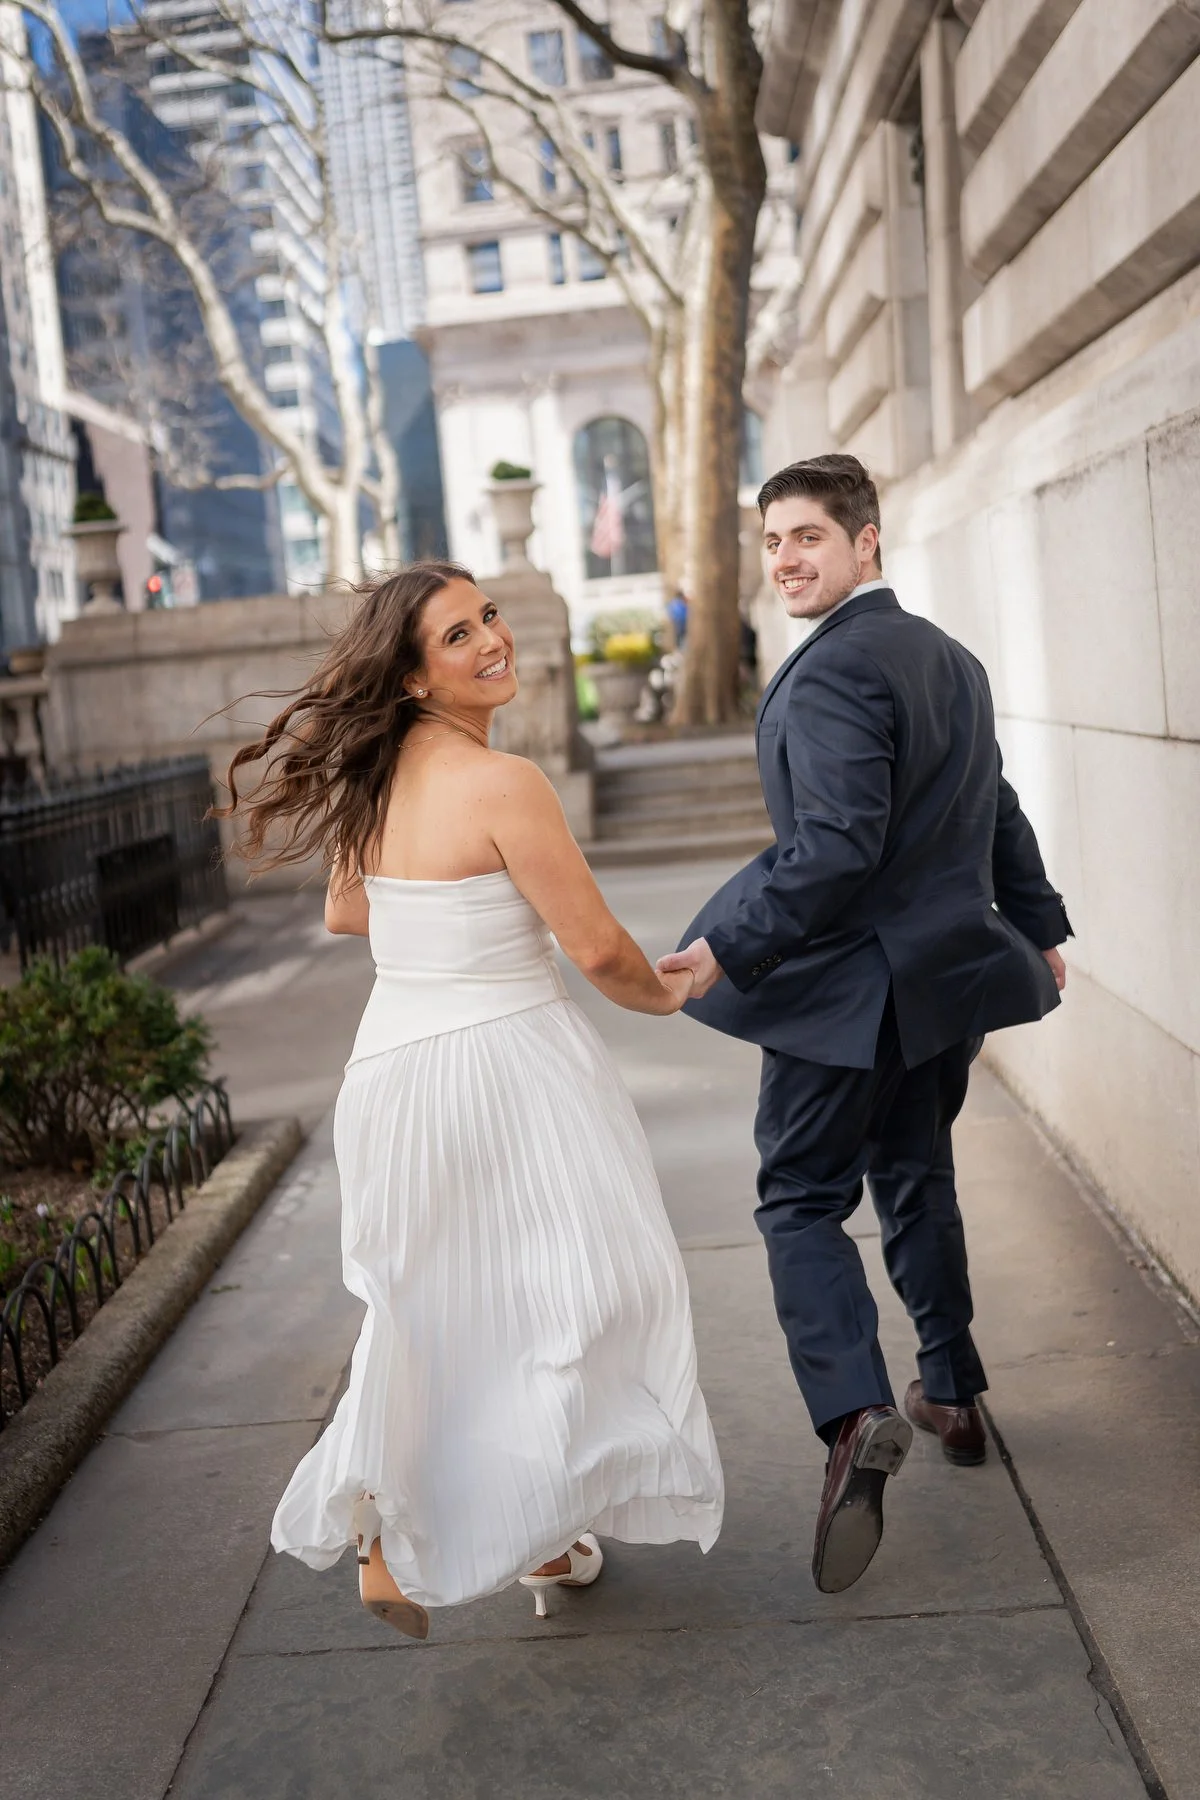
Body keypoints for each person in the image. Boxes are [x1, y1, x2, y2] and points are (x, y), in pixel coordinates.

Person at [220, 560, 724, 1640]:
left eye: (487, 615)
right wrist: (670, 993)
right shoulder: (507, 786)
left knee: (435, 1308)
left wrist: (454, 928)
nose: (491, 639)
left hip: (396, 1069)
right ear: (411, 677)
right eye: (457, 635)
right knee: (575, 1296)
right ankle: (477, 1526)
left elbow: (350, 915)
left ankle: (480, 1539)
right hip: (508, 1063)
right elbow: (598, 950)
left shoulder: (377, 776)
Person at [659, 456, 1069, 1596]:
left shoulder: (838, 671)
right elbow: (996, 804)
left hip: (849, 992)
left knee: (797, 1199)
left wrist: (726, 944)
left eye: (809, 539)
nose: (787, 560)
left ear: (866, 543)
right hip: (941, 983)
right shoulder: (949, 658)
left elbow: (835, 847)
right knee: (917, 1174)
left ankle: (853, 1415)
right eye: (774, 542)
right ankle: (951, 1387)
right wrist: (1036, 927)